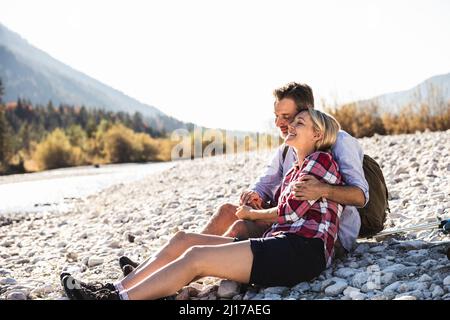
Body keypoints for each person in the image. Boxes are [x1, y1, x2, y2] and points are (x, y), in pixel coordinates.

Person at [62, 108, 344, 300]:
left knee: (197, 257)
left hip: (302, 252)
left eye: (299, 124)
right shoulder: (297, 166)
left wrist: (250, 213)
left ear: (317, 135)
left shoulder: (320, 160)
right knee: (183, 240)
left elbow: (289, 212)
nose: (290, 126)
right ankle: (112, 289)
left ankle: (117, 299)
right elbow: (287, 210)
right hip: (282, 244)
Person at [118, 83, 369, 276]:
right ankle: (165, 266)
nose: (279, 123)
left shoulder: (340, 142)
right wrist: (255, 195)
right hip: (289, 223)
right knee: (228, 211)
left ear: (306, 112)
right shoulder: (287, 147)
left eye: (286, 116)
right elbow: (266, 182)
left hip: (325, 236)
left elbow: (360, 196)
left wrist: (322, 189)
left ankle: (184, 270)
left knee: (239, 228)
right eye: (276, 116)